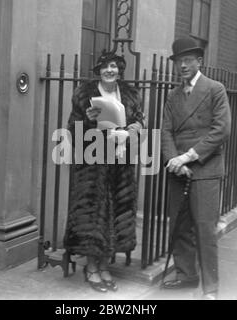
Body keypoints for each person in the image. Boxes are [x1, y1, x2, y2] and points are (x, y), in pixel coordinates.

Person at [63, 51, 145, 293]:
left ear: (119, 70)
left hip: (120, 162)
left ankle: (105, 265)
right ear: (98, 70)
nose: (110, 70)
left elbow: (141, 121)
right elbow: (72, 129)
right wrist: (88, 121)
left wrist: (133, 128)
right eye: (105, 67)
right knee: (93, 214)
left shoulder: (130, 94)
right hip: (93, 163)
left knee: (115, 213)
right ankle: (91, 268)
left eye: (114, 66)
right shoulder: (84, 94)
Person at [161, 37, 231, 300]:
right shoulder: (172, 95)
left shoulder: (215, 89)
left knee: (204, 229)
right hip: (179, 169)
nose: (182, 66)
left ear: (199, 61)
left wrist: (188, 157)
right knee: (179, 226)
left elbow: (221, 131)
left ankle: (210, 289)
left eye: (188, 60)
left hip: (205, 168)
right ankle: (186, 275)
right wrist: (173, 161)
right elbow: (166, 131)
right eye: (179, 61)